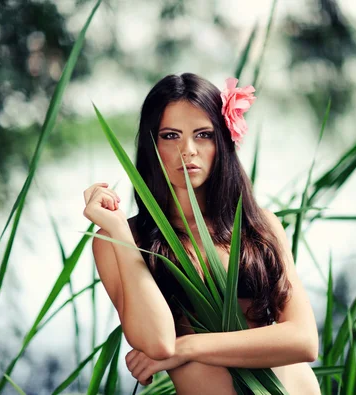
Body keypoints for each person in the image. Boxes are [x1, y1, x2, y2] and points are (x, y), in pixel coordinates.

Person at [82, 73, 321, 394]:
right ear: (151, 146)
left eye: (203, 134)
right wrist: (118, 230)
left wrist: (188, 347)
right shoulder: (122, 241)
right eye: (170, 135)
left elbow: (304, 341)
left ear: (222, 140)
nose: (188, 149)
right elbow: (157, 343)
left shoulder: (259, 224)